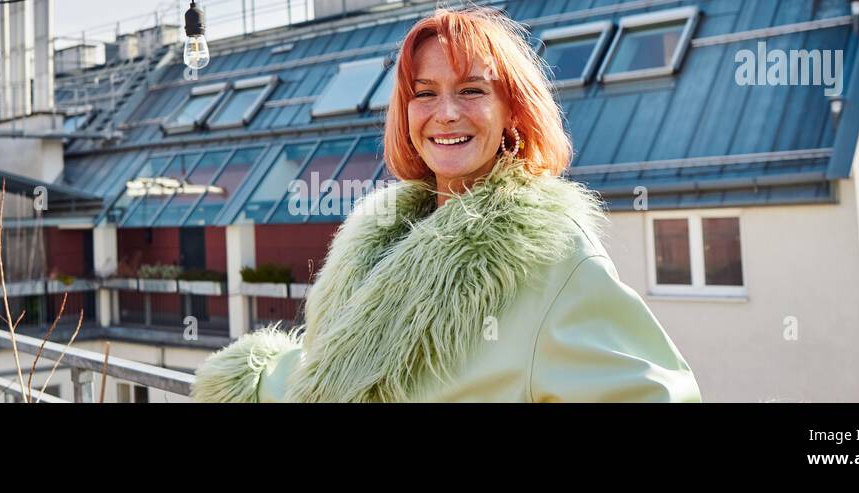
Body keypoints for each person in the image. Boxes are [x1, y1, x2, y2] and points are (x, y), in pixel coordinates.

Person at [192, 6, 701, 403]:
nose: (447, 113)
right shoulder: (381, 236)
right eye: (426, 93)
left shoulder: (554, 255)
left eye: (472, 90)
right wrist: (252, 377)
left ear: (513, 112)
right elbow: (331, 376)